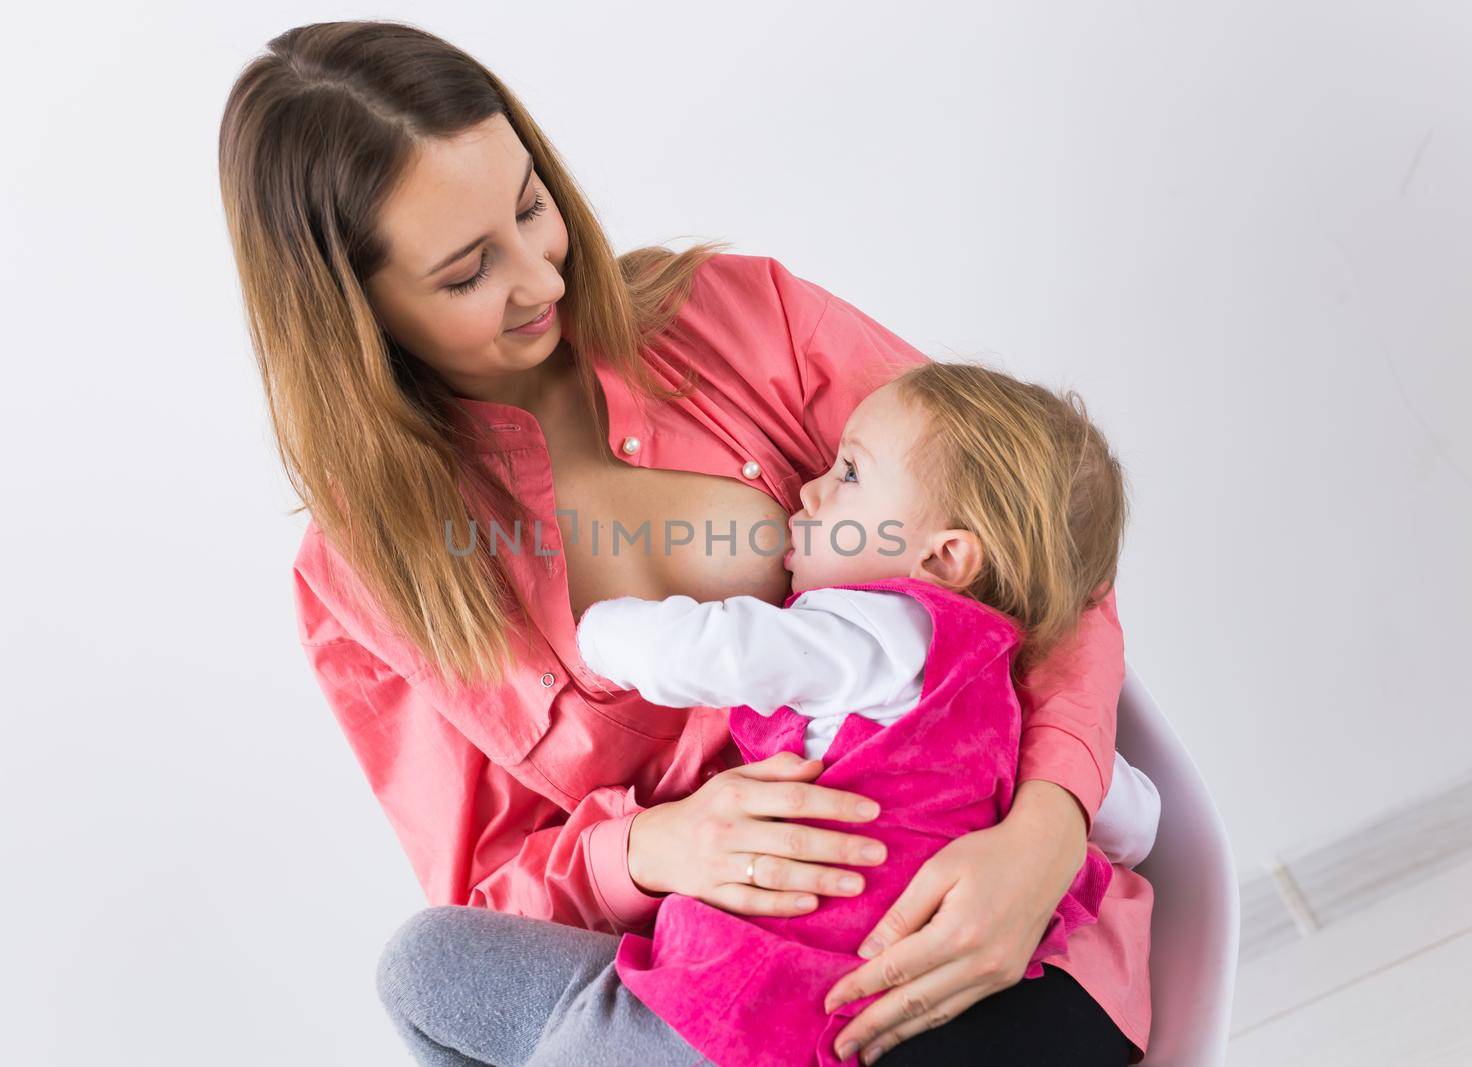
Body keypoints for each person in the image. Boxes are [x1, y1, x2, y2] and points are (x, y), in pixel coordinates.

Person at [217, 19, 1153, 1065]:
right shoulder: (362, 579)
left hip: (956, 898)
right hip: (708, 977)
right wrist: (649, 847)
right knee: (426, 965)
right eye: (469, 270)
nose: (543, 280)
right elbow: (490, 893)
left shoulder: (742, 319)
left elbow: (1044, 543)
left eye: (532, 207)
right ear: (356, 312)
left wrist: (1047, 822)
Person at [383, 363, 1153, 1066]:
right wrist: (1054, 820)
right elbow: (1134, 815)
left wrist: (601, 636)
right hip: (703, 991)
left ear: (944, 560)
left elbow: (723, 648)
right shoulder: (1002, 695)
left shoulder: (878, 633)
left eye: (848, 474)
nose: (809, 490)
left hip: (752, 1018)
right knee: (424, 964)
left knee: (500, 1011)